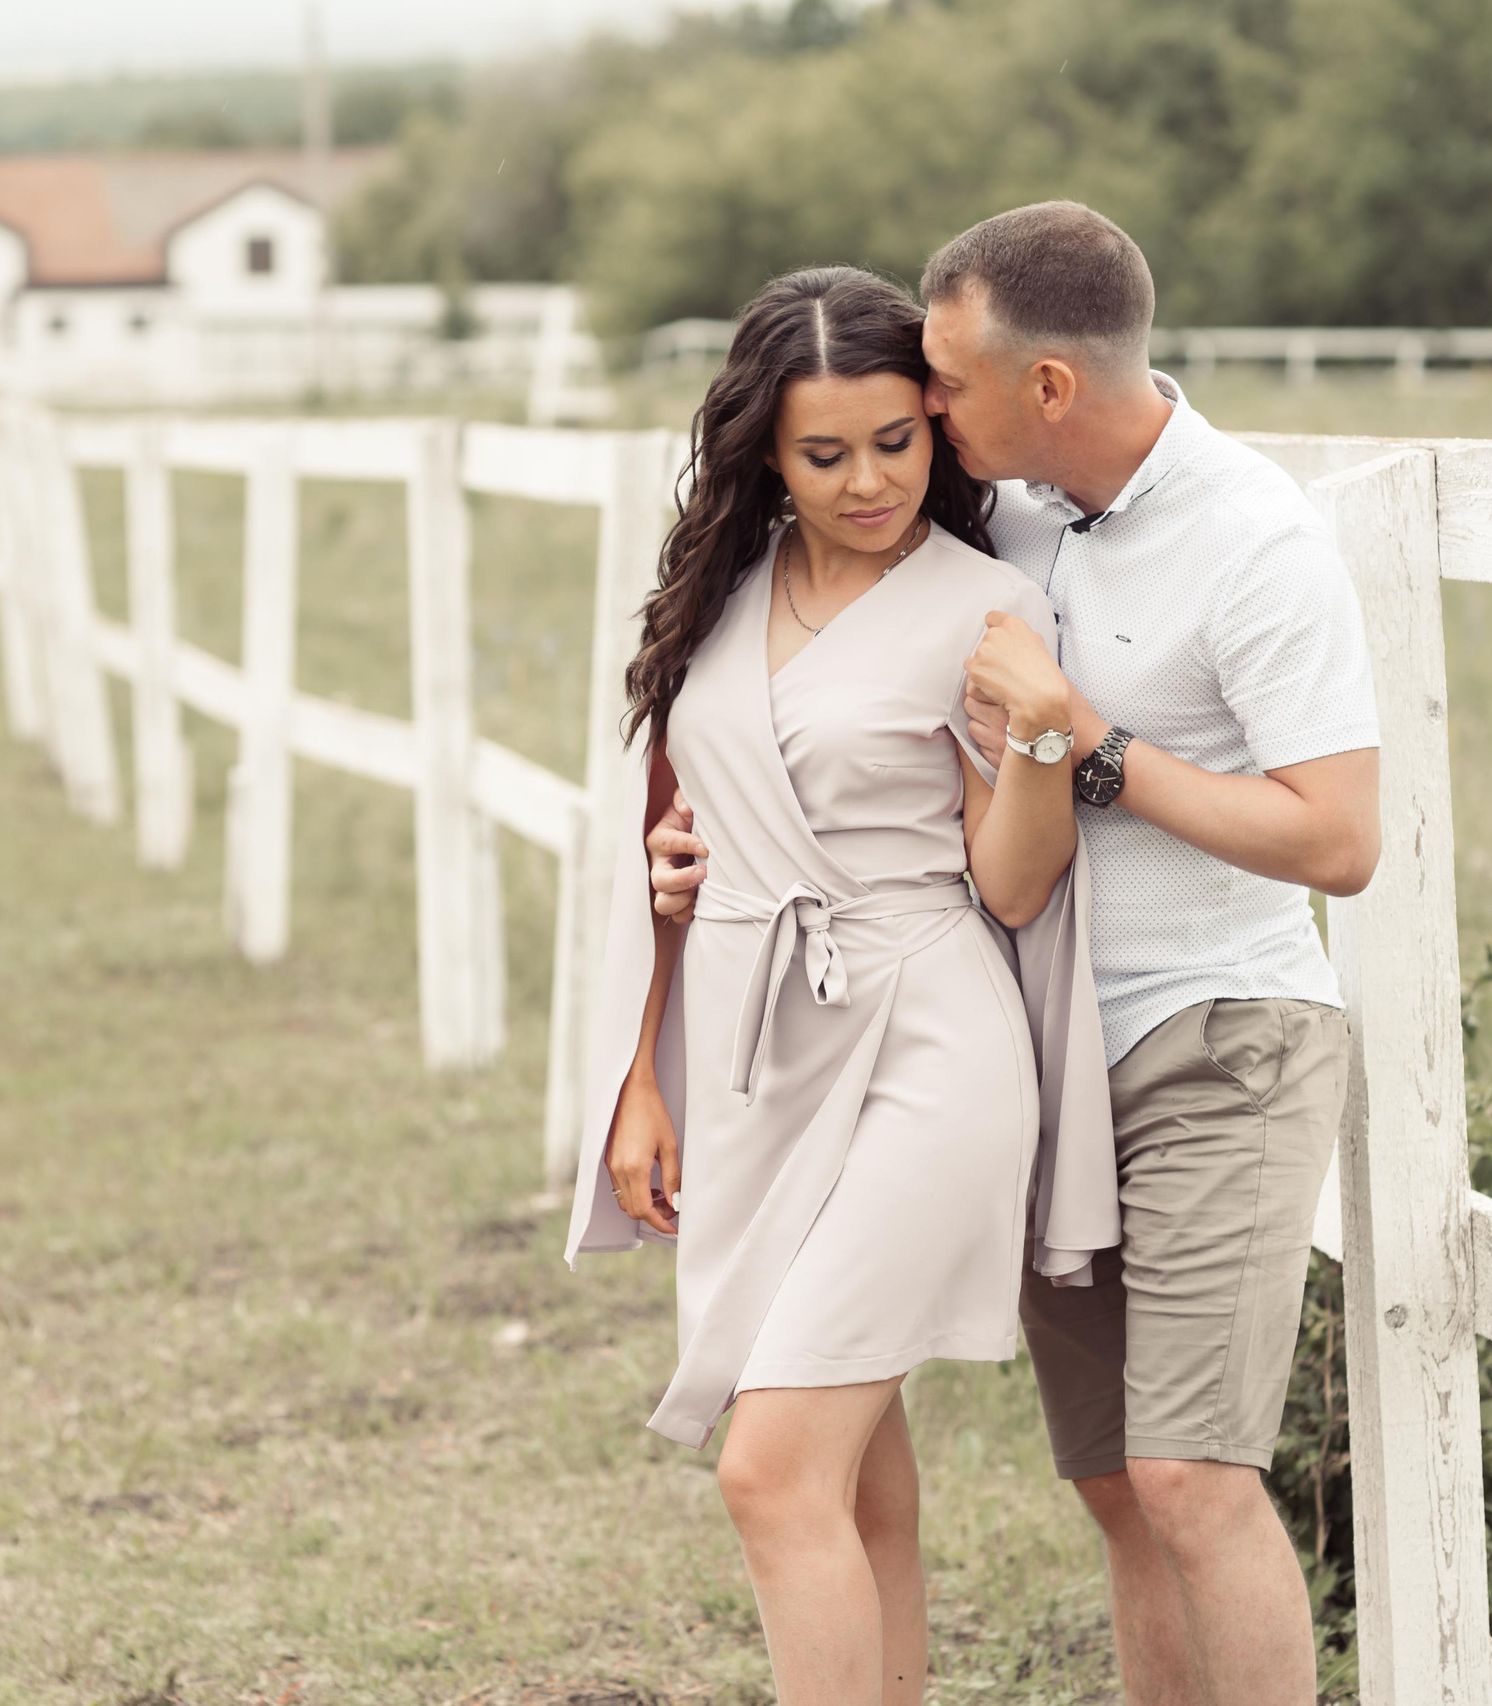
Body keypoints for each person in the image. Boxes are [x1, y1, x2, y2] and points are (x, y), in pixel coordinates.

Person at [651, 203, 1383, 1706]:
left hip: (1211, 1027)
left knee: (1188, 1475)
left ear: (1043, 387)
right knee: (1118, 1484)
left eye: (941, 387)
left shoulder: (1254, 540)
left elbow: (1340, 842)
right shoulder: (1020, 515)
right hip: (1054, 1049)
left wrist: (1085, 741)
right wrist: (694, 859)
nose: (921, 412)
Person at [562, 265, 1120, 1706]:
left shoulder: (986, 609)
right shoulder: (721, 595)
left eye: (897, 440)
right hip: (751, 1054)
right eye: (826, 453)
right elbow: (665, 829)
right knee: (860, 1476)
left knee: (770, 1465)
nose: (869, 479)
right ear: (764, 450)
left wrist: (1047, 742)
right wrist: (642, 1077)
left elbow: (1011, 885)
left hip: (925, 1035)